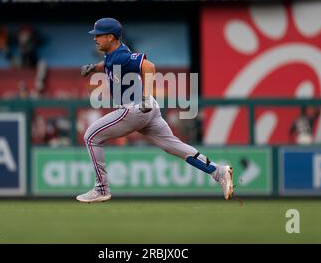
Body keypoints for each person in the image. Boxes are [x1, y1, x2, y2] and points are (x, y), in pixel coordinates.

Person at [77, 18, 233, 203]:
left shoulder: (121, 55)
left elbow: (149, 67)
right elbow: (109, 63)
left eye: (99, 35)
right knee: (173, 146)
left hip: (135, 109)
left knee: (91, 136)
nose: (95, 38)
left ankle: (101, 189)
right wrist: (94, 68)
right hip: (148, 111)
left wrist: (144, 97)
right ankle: (218, 172)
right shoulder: (114, 54)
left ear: (111, 37)